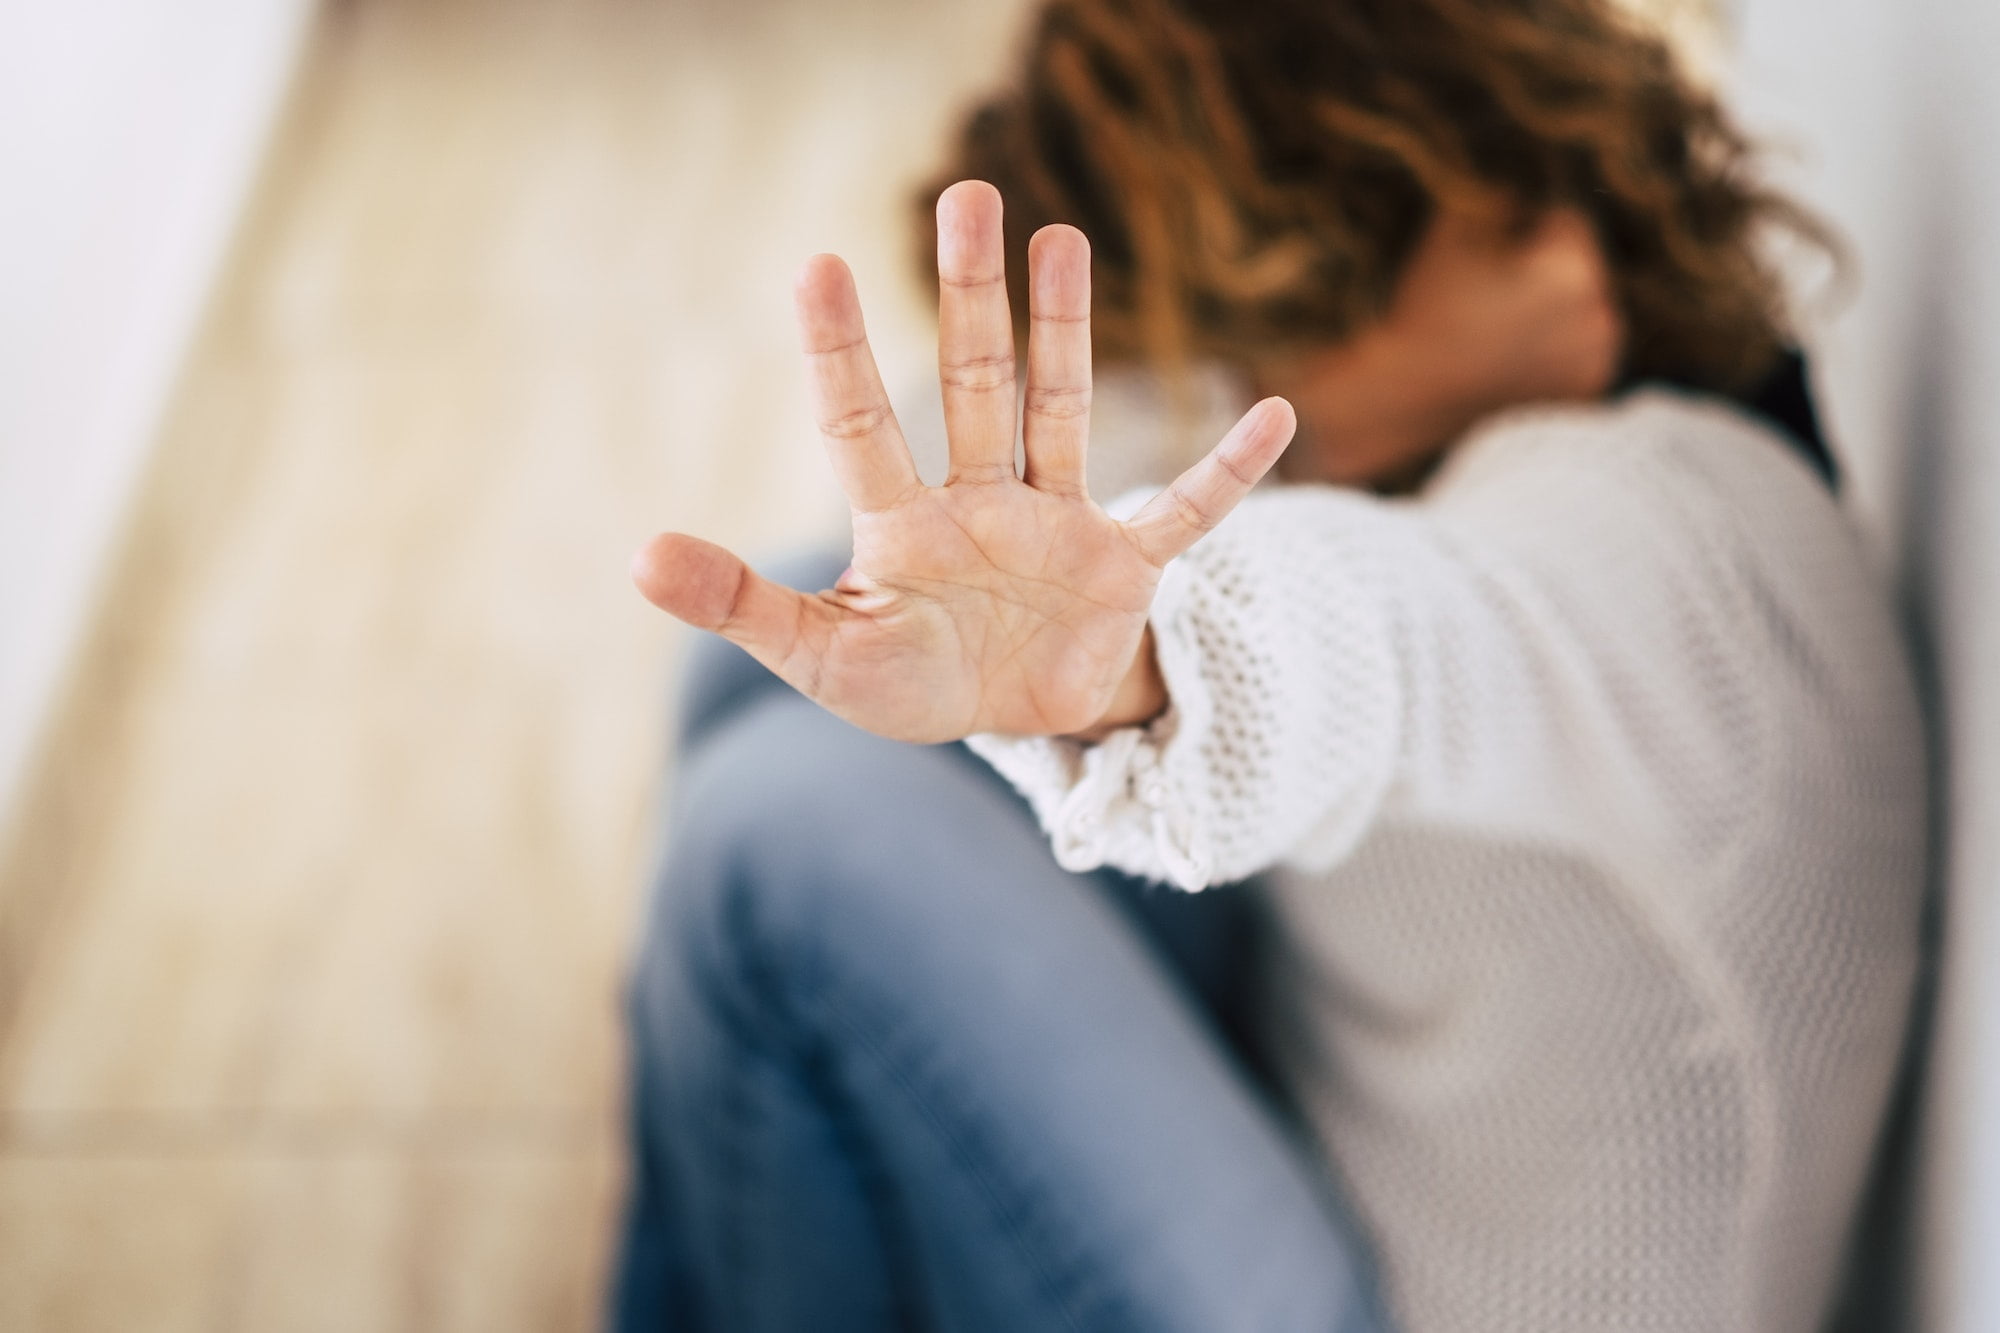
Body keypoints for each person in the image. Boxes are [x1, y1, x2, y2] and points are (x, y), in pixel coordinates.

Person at [611, 0, 1926, 1328]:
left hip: (1396, 1301)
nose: (1233, 377)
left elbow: (1386, 641)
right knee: (769, 687)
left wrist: (1135, 666)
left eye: (1248, 333)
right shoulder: (1479, 425)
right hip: (1318, 1131)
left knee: (778, 842)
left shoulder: (1668, 543)